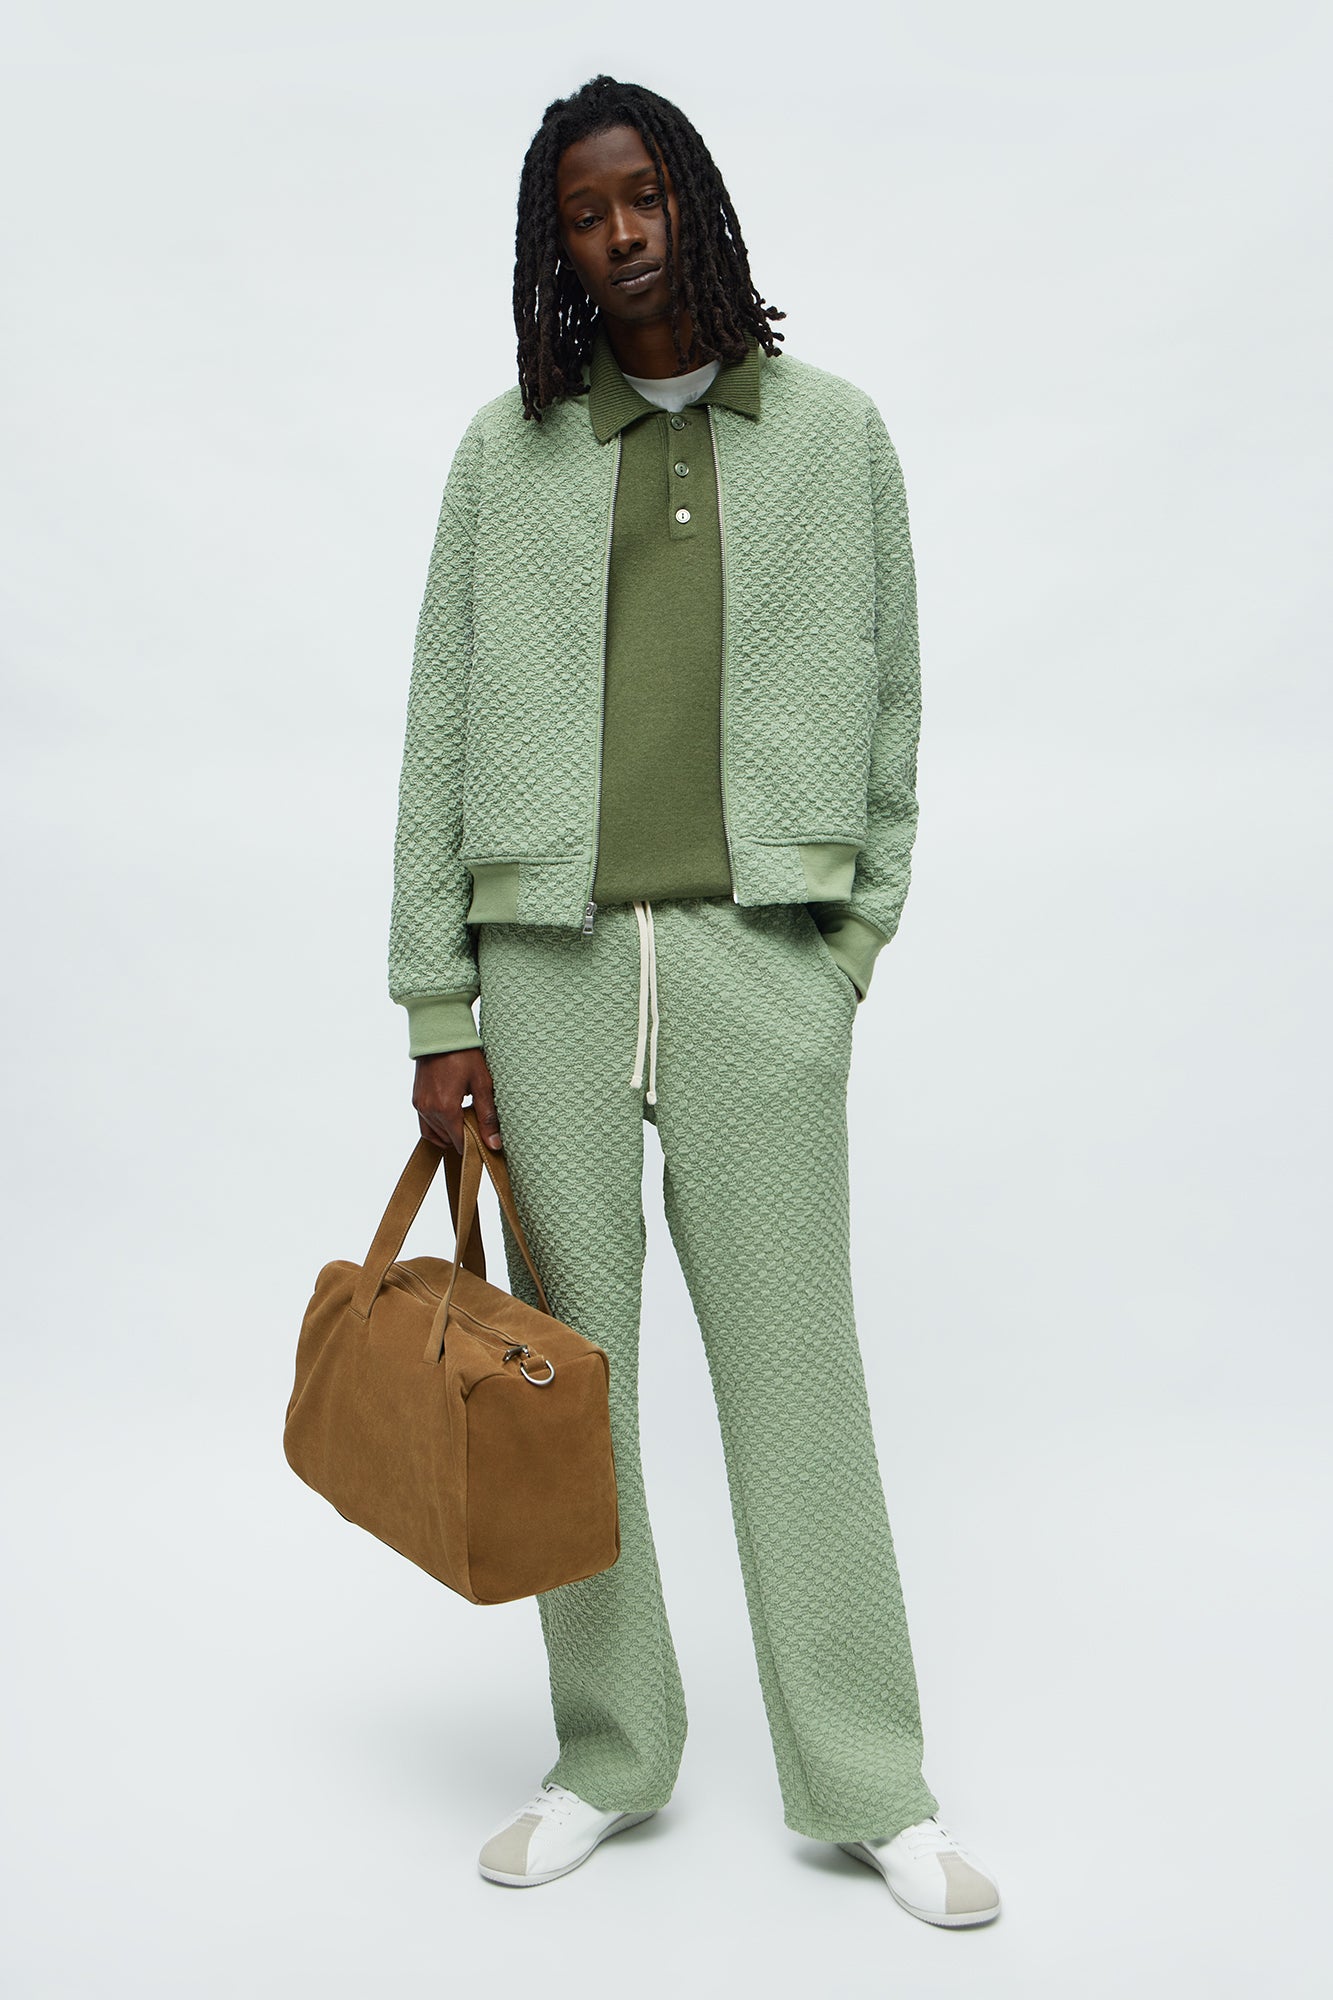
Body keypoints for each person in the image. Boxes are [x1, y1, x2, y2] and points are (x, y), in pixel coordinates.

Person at [387, 73, 1001, 1928]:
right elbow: (437, 733)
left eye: (641, 194)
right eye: (583, 212)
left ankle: (868, 1783)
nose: (620, 233)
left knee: (799, 1385)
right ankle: (610, 1753)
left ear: (694, 202)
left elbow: (895, 710)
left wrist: (846, 951)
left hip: (758, 969)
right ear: (554, 244)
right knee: (567, 1390)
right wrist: (439, 1006)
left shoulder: (834, 436)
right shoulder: (505, 454)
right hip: (548, 970)